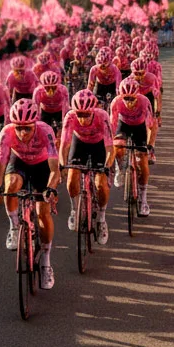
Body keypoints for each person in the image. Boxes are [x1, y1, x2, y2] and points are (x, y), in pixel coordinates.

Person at [0, 98, 60, 289]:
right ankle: (14, 226)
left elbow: (55, 168)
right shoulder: (7, 133)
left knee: (43, 213)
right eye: (18, 127)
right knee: (10, 184)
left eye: (27, 128)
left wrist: (51, 188)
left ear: (34, 124)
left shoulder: (46, 131)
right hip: (19, 161)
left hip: (41, 165)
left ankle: (46, 261)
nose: (22, 132)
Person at [60, 90, 114, 244]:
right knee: (71, 179)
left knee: (100, 184)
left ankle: (102, 219)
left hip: (98, 145)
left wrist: (106, 167)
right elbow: (64, 144)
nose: (82, 119)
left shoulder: (102, 116)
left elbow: (110, 148)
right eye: (79, 115)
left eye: (86, 115)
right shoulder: (70, 117)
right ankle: (74, 209)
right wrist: (63, 165)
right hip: (80, 144)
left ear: (93, 111)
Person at [110, 77, 155, 217]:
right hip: (123, 126)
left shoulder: (144, 102)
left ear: (137, 96)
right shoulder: (116, 102)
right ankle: (120, 168)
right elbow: (112, 125)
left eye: (132, 99)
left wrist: (150, 145)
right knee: (118, 146)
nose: (129, 102)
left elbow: (151, 127)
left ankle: (143, 199)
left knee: (143, 162)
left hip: (140, 128)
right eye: (126, 99)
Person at [32, 71, 69, 138]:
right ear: (43, 86)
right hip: (45, 111)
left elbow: (65, 108)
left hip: (59, 111)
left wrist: (63, 126)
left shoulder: (63, 90)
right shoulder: (38, 91)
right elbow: (35, 109)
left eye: (53, 87)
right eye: (47, 88)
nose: (51, 91)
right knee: (44, 133)